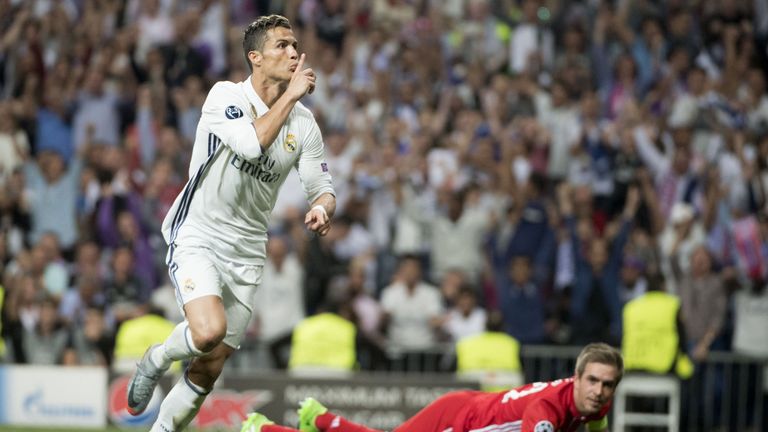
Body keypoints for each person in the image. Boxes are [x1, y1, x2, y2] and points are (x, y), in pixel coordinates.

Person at [126, 14, 336, 432]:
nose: (293, 53)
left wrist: (323, 208)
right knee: (207, 331)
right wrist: (290, 97)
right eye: (282, 46)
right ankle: (156, 357)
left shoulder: (305, 125)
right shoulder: (225, 96)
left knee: (210, 365)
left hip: (248, 249)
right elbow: (252, 144)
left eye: (295, 45)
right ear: (255, 58)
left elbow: (322, 185)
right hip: (199, 233)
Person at [242, 343, 623, 432]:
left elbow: (596, 426)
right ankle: (264, 427)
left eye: (607, 385)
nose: (599, 391)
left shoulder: (595, 405)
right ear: (576, 377)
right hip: (457, 419)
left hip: (474, 409)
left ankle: (321, 419)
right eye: (592, 381)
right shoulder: (548, 412)